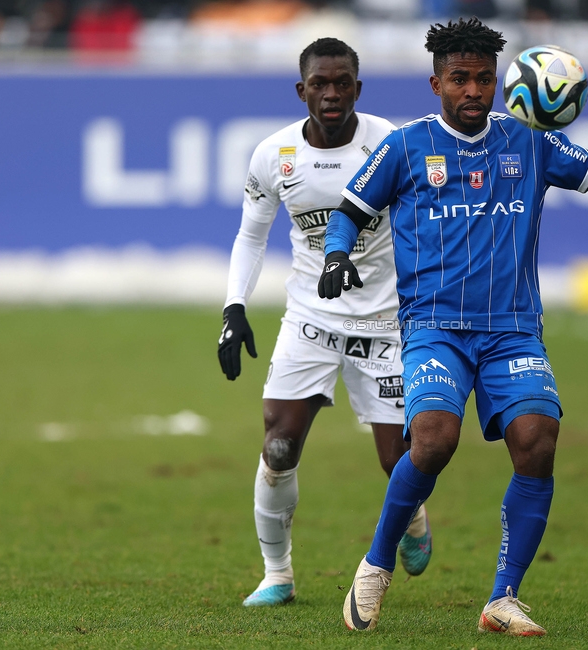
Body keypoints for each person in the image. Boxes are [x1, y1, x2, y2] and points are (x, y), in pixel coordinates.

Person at [318, 18, 588, 636]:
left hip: (512, 330)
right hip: (436, 327)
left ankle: (503, 598)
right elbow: (348, 214)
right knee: (432, 439)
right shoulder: (405, 146)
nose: (473, 90)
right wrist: (337, 256)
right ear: (435, 83)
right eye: (459, 79)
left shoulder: (529, 140)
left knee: (538, 440)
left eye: (483, 79)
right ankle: (375, 565)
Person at [217, 37, 433, 608]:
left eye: (343, 84)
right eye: (320, 84)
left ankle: (412, 516)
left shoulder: (393, 143)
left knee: (399, 461)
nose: (332, 94)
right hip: (310, 318)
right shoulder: (275, 154)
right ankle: (277, 575)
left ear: (358, 89)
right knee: (279, 446)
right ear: (302, 90)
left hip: (386, 324)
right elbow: (250, 235)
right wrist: (234, 307)